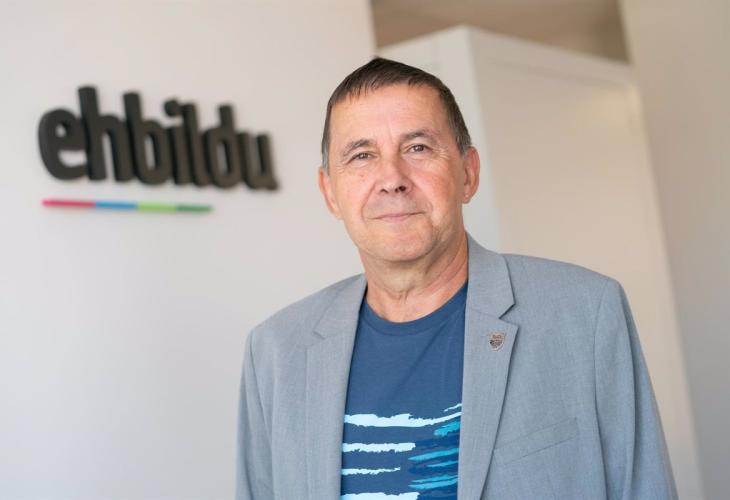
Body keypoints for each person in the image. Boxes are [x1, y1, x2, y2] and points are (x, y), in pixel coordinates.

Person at [235, 57, 678, 500]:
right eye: (362, 156)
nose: (392, 179)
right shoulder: (275, 351)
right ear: (330, 191)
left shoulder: (584, 312)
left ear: (468, 173)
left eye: (418, 148)